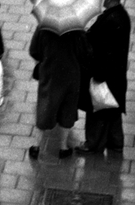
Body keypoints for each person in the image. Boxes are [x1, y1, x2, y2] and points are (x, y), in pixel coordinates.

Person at [78, 0, 131, 154]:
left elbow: (106, 50)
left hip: (105, 74)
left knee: (98, 108)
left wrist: (98, 73)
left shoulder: (111, 19)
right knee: (112, 108)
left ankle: (93, 144)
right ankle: (116, 143)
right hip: (115, 75)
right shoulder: (119, 15)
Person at [28, 24, 92, 160]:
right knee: (68, 110)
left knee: (45, 108)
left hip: (49, 75)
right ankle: (63, 147)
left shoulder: (44, 27)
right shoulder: (77, 30)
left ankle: (36, 147)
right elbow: (85, 53)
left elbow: (34, 51)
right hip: (71, 76)